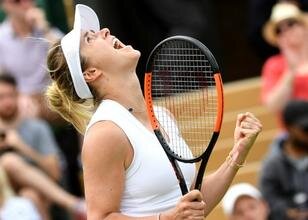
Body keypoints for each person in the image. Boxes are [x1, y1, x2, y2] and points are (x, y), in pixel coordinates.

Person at [45, 4, 262, 219]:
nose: (105, 31)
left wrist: (237, 154)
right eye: (90, 39)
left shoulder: (161, 116)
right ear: (91, 72)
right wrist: (166, 218)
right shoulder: (105, 132)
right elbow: (101, 217)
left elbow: (194, 202)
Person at [0, 73, 85, 220]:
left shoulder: (36, 127)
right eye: (1, 97)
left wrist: (21, 146)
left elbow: (55, 173)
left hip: (40, 192)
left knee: (30, 194)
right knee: (9, 161)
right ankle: (74, 204)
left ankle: (74, 205)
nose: (7, 102)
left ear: (18, 95)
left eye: (10, 96)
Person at [0, 0, 62, 120]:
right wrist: (18, 97)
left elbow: (67, 57)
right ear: (5, 6)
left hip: (51, 94)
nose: (25, 4)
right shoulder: (1, 37)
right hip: (19, 99)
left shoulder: (45, 30)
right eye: (17, 1)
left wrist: (45, 29)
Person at [260, 2, 308, 129]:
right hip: (293, 138)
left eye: (291, 24)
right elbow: (273, 106)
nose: (285, 31)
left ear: (304, 26)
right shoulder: (273, 64)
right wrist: (291, 71)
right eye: (278, 30)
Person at [259, 100, 308, 220]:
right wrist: (287, 212)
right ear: (288, 127)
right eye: (305, 128)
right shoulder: (272, 165)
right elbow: (268, 199)